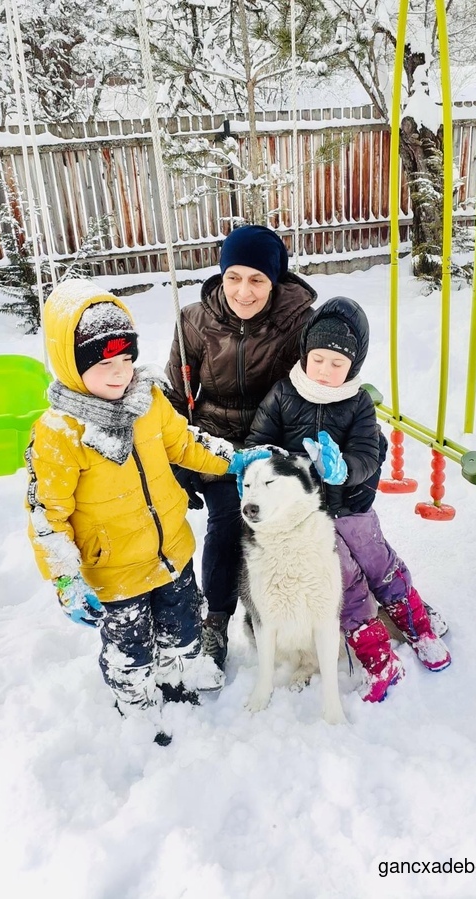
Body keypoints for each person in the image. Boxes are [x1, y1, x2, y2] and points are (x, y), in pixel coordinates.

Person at [26, 279, 267, 742]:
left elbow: (185, 443)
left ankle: (182, 680)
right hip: (113, 573)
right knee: (129, 649)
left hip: (171, 551)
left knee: (184, 626)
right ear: (70, 367)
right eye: (103, 365)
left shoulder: (148, 401)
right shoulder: (59, 434)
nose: (120, 374)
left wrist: (235, 459)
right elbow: (46, 517)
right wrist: (64, 578)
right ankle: (136, 702)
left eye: (126, 359)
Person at [246, 296, 452, 702]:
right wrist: (282, 464)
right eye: (318, 359)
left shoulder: (357, 402)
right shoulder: (283, 393)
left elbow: (366, 453)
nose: (325, 371)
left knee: (382, 567)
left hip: (355, 506)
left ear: (353, 367)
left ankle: (420, 630)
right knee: (345, 587)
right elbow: (258, 444)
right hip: (310, 522)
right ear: (306, 352)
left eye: (337, 364)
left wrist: (344, 468)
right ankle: (379, 662)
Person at [165, 225, 316, 669]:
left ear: (275, 281)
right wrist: (179, 460)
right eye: (234, 277)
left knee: (290, 524)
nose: (243, 291)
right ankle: (215, 618)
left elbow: (310, 391)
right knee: (230, 518)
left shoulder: (298, 323)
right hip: (212, 442)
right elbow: (176, 397)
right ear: (221, 275)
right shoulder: (193, 320)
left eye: (257, 280)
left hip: (272, 442)